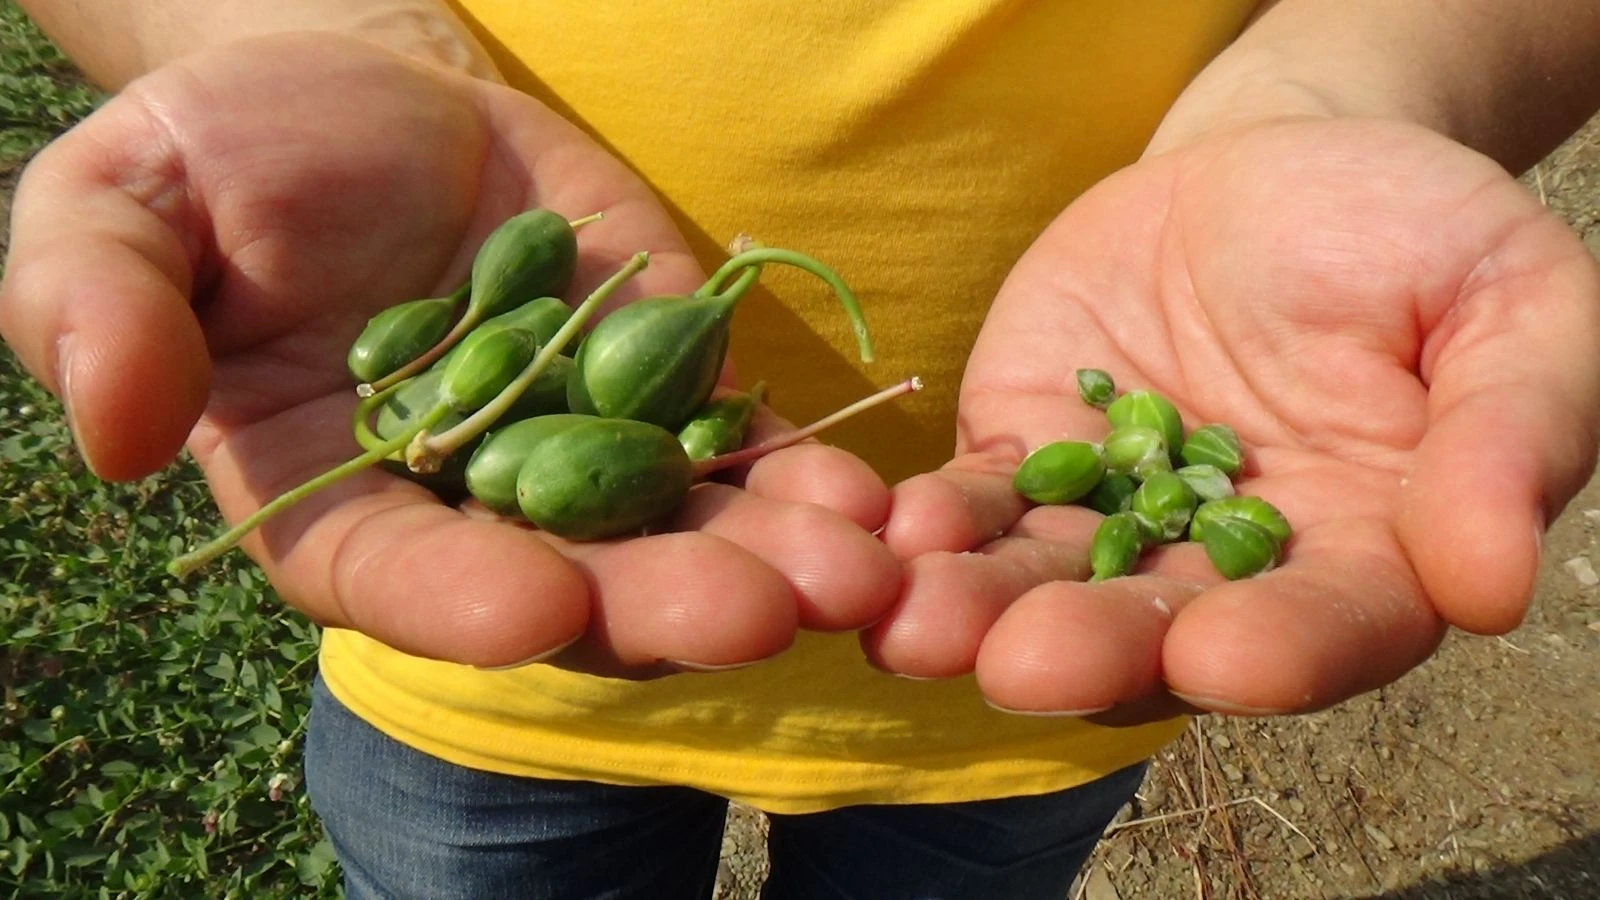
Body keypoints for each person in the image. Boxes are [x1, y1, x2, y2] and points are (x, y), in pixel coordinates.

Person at [4, 0, 1599, 896]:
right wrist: (313, 31)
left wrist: (1344, 90)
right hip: (487, 680)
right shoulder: (475, 387)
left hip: (1011, 666)